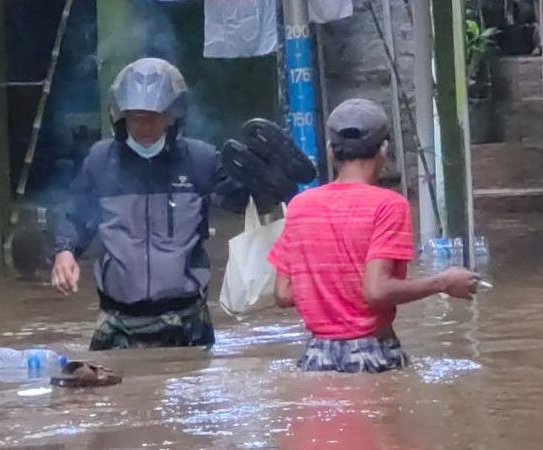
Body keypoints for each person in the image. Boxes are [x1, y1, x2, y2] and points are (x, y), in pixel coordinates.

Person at [267, 98, 480, 373]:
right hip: (372, 354)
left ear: (331, 152)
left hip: (315, 358)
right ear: (384, 149)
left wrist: (329, 285)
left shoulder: (300, 206)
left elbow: (283, 294)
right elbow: (376, 291)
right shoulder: (388, 205)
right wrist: (443, 281)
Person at [51, 58, 251, 351]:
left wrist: (256, 179)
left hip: (186, 320)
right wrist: (65, 251)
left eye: (153, 117)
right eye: (135, 118)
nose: (143, 126)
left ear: (172, 116)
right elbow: (77, 216)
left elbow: (239, 201)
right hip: (118, 319)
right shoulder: (100, 160)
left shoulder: (200, 159)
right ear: (121, 117)